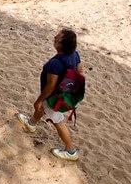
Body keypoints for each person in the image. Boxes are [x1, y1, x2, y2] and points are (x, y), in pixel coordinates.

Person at [18, 28, 84, 161]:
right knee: (43, 108)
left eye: (57, 38)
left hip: (54, 98)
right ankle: (31, 123)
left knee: (57, 121)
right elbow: (80, 71)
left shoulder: (55, 64)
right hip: (64, 94)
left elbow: (50, 86)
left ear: (62, 45)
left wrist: (39, 100)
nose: (54, 37)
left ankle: (70, 151)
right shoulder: (75, 54)